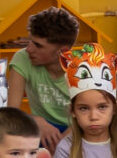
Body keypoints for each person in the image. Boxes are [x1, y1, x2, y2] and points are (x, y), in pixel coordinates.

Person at [8, 8, 79, 139]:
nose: (29, 49)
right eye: (30, 41)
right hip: (40, 129)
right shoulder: (22, 58)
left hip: (78, 128)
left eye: (38, 45)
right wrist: (35, 120)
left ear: (62, 51)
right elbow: (11, 112)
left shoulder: (83, 69)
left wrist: (63, 143)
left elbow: (90, 117)